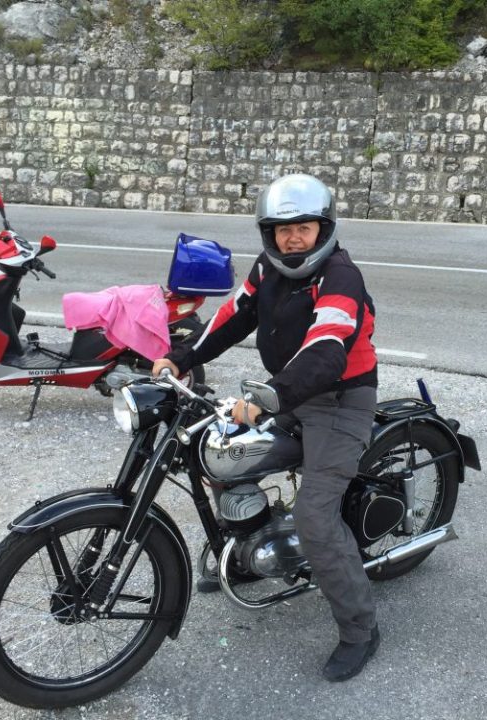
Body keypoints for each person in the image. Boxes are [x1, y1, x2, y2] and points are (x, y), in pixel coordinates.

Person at [152, 173, 380, 682]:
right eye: (283, 229)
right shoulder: (267, 268)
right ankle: (245, 556)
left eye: (304, 228)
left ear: (323, 229)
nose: (293, 238)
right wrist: (181, 358)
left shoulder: (340, 276)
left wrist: (264, 401)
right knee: (218, 452)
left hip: (340, 400)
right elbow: (233, 317)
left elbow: (326, 349)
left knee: (315, 518)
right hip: (285, 392)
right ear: (269, 233)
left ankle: (360, 630)